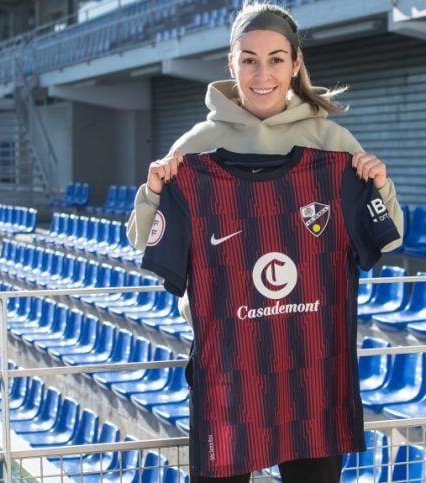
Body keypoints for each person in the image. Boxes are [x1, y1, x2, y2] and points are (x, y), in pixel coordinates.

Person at [128, 3, 405, 482]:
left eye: (276, 59)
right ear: (230, 64)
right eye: (249, 59)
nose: (262, 73)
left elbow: (389, 235)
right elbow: (142, 239)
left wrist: (379, 184)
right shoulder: (196, 146)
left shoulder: (332, 142)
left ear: (295, 64)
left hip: (311, 361)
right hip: (228, 365)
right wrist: (154, 191)